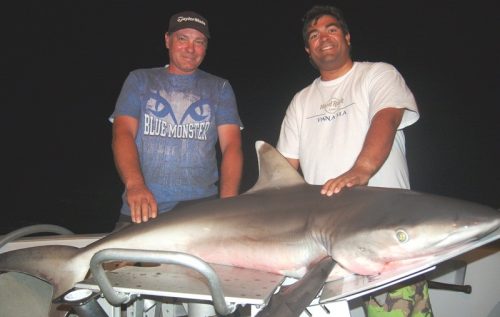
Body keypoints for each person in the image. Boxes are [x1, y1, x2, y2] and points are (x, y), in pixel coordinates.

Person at [276, 5, 432, 317]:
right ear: (308, 49)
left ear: (346, 36)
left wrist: (362, 170)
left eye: (331, 29)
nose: (324, 38)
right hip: (325, 243)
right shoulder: (300, 101)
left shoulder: (378, 74)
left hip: (384, 233)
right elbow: (282, 170)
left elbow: (386, 120)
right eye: (314, 35)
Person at [110, 10, 243, 228]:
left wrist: (227, 206)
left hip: (201, 207)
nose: (191, 49)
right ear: (167, 40)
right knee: (112, 261)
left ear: (206, 47)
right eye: (183, 39)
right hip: (144, 203)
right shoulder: (140, 80)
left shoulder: (220, 87)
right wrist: (135, 185)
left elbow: (232, 147)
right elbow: (122, 133)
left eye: (199, 41)